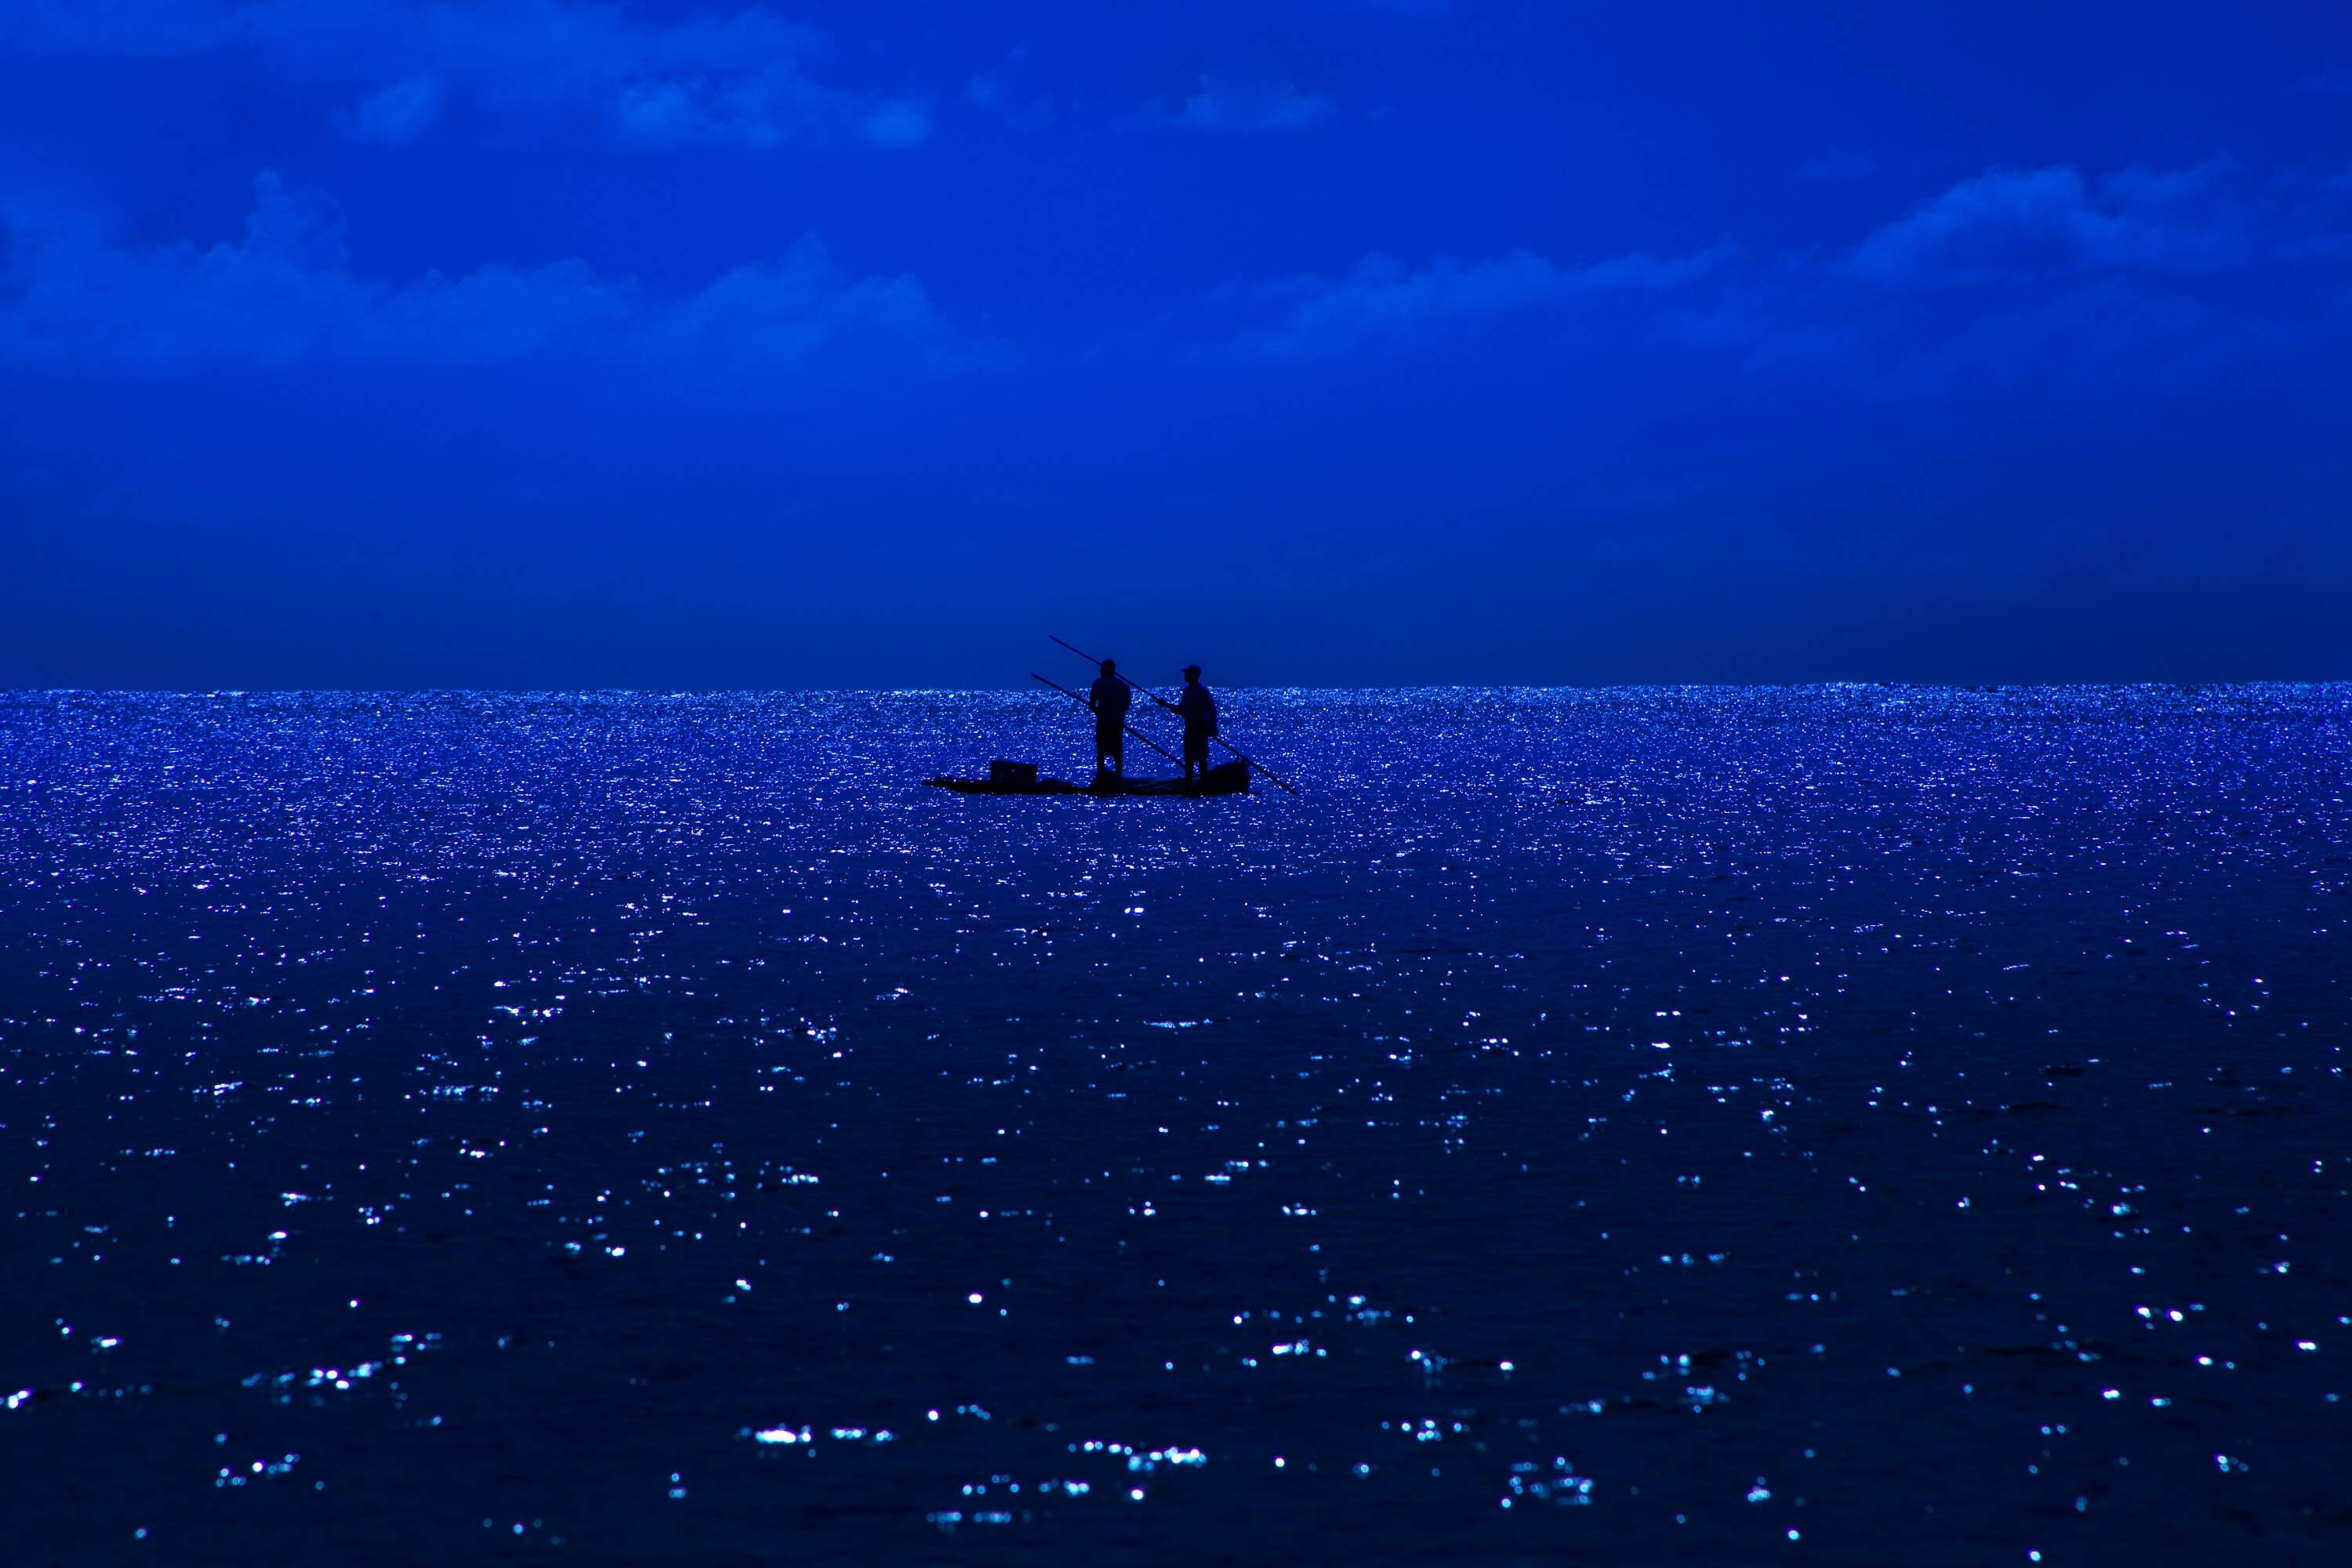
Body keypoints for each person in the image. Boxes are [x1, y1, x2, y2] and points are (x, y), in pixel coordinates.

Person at [1087, 659, 1133, 779]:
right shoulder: (1123, 686)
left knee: (1101, 752)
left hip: (1103, 722)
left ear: (1102, 670)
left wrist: (1099, 711)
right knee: (1117, 752)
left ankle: (1101, 778)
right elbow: (1126, 706)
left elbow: (1092, 704)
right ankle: (1119, 778)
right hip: (1117, 722)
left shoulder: (1097, 684)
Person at [1174, 664, 1217, 789]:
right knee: (1189, 759)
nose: (1185, 676)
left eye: (1187, 674)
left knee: (1202, 759)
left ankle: (1204, 784)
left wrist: (1212, 728)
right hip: (1190, 730)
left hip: (1201, 731)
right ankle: (1188, 786)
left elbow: (1212, 711)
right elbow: (1182, 710)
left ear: (1193, 676)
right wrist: (1167, 705)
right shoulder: (1186, 691)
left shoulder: (1203, 691)